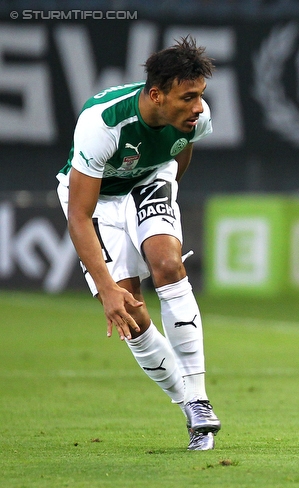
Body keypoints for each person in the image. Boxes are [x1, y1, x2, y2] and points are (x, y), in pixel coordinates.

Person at [56, 37, 221, 451]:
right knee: (130, 309)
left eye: (200, 95)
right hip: (97, 199)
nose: (198, 107)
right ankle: (187, 407)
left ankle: (200, 398)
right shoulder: (103, 123)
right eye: (188, 97)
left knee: (167, 262)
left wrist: (161, 212)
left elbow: (180, 154)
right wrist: (107, 289)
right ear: (156, 95)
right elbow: (79, 215)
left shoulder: (195, 119)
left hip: (149, 179)